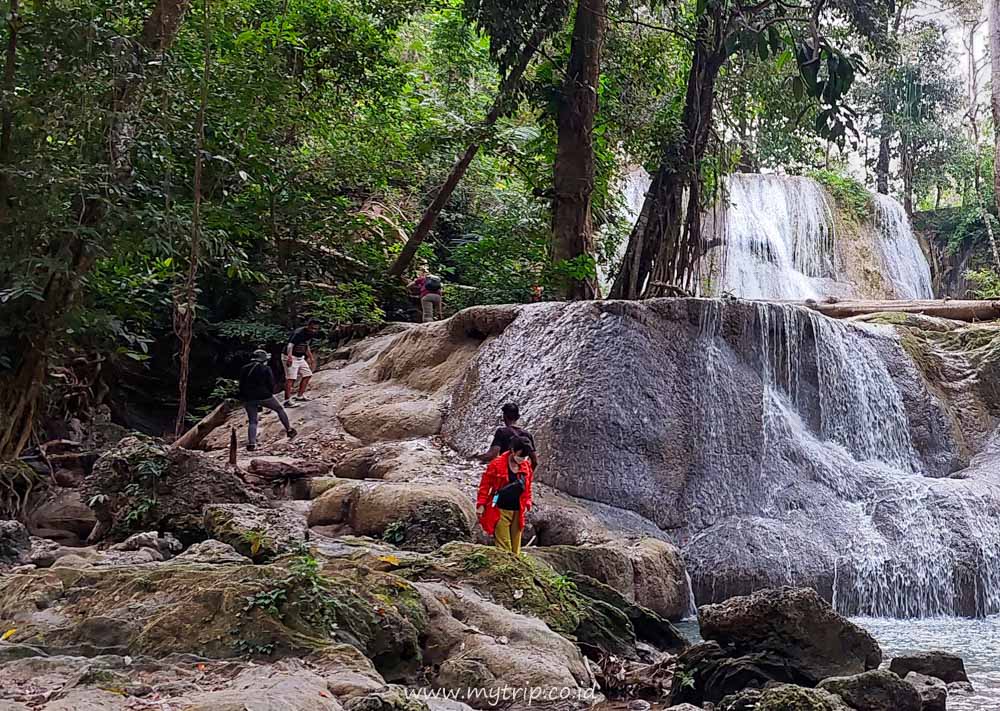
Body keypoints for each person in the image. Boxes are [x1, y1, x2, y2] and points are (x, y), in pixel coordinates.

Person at [476, 436, 534, 555]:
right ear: (512, 450)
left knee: (515, 545)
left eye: (525, 457)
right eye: (520, 455)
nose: (522, 459)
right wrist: (481, 504)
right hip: (500, 509)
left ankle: (516, 567)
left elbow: (528, 486)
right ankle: (505, 567)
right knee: (504, 546)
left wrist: (528, 500)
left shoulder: (526, 466)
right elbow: (485, 486)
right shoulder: (496, 465)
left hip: (518, 510)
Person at [239, 349, 297, 451]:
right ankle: (289, 429)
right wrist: (270, 393)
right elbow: (271, 383)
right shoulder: (266, 368)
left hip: (249, 398)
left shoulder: (244, 368)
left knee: (253, 421)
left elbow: (241, 385)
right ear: (263, 359)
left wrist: (244, 397)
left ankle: (252, 443)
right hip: (264, 396)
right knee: (279, 409)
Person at [479, 402, 537, 468]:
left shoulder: (502, 432)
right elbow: (535, 461)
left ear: (504, 416)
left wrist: (474, 458)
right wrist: (527, 476)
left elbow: (492, 455)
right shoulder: (527, 435)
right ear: (518, 417)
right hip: (519, 475)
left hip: (505, 473)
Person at [284, 319, 319, 407]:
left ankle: (300, 395)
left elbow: (306, 346)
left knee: (307, 374)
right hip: (291, 356)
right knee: (291, 378)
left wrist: (311, 358)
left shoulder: (311, 334)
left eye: (315, 329)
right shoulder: (299, 333)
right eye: (312, 328)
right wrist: (289, 357)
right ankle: (287, 401)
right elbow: (290, 345)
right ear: (308, 326)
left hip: (300, 357)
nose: (314, 330)